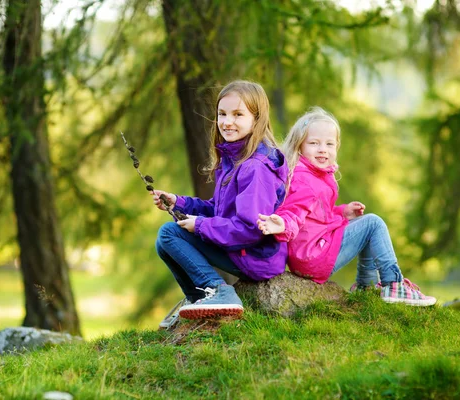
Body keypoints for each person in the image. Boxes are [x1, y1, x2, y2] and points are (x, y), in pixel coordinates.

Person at [257, 107, 436, 306]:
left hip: (311, 251)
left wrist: (342, 212)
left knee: (366, 228)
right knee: (373, 224)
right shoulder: (305, 180)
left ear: (337, 147)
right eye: (314, 143)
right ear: (300, 146)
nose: (322, 149)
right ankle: (394, 283)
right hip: (313, 255)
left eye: (329, 144)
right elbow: (295, 212)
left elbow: (315, 216)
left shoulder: (314, 175)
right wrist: (282, 223)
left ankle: (366, 286)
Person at [153, 80, 289, 327]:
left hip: (256, 255)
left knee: (169, 234)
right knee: (165, 242)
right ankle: (198, 298)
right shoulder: (235, 158)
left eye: (238, 114)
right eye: (222, 114)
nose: (227, 122)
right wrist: (179, 202)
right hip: (241, 247)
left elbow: (250, 229)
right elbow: (219, 209)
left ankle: (218, 291)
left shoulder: (255, 167)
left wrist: (202, 226)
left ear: (256, 119)